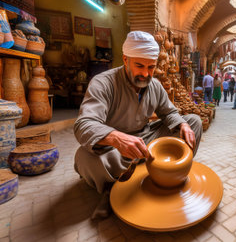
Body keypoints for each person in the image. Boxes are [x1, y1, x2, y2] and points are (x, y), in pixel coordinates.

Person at [73, 31, 202, 219]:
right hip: (115, 149)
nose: (145, 73)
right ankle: (112, 190)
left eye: (151, 67)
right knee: (83, 158)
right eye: (139, 66)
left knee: (193, 122)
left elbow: (169, 112)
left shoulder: (155, 85)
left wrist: (182, 125)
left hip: (145, 140)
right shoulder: (103, 83)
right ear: (126, 60)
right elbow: (84, 124)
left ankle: (172, 175)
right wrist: (116, 139)